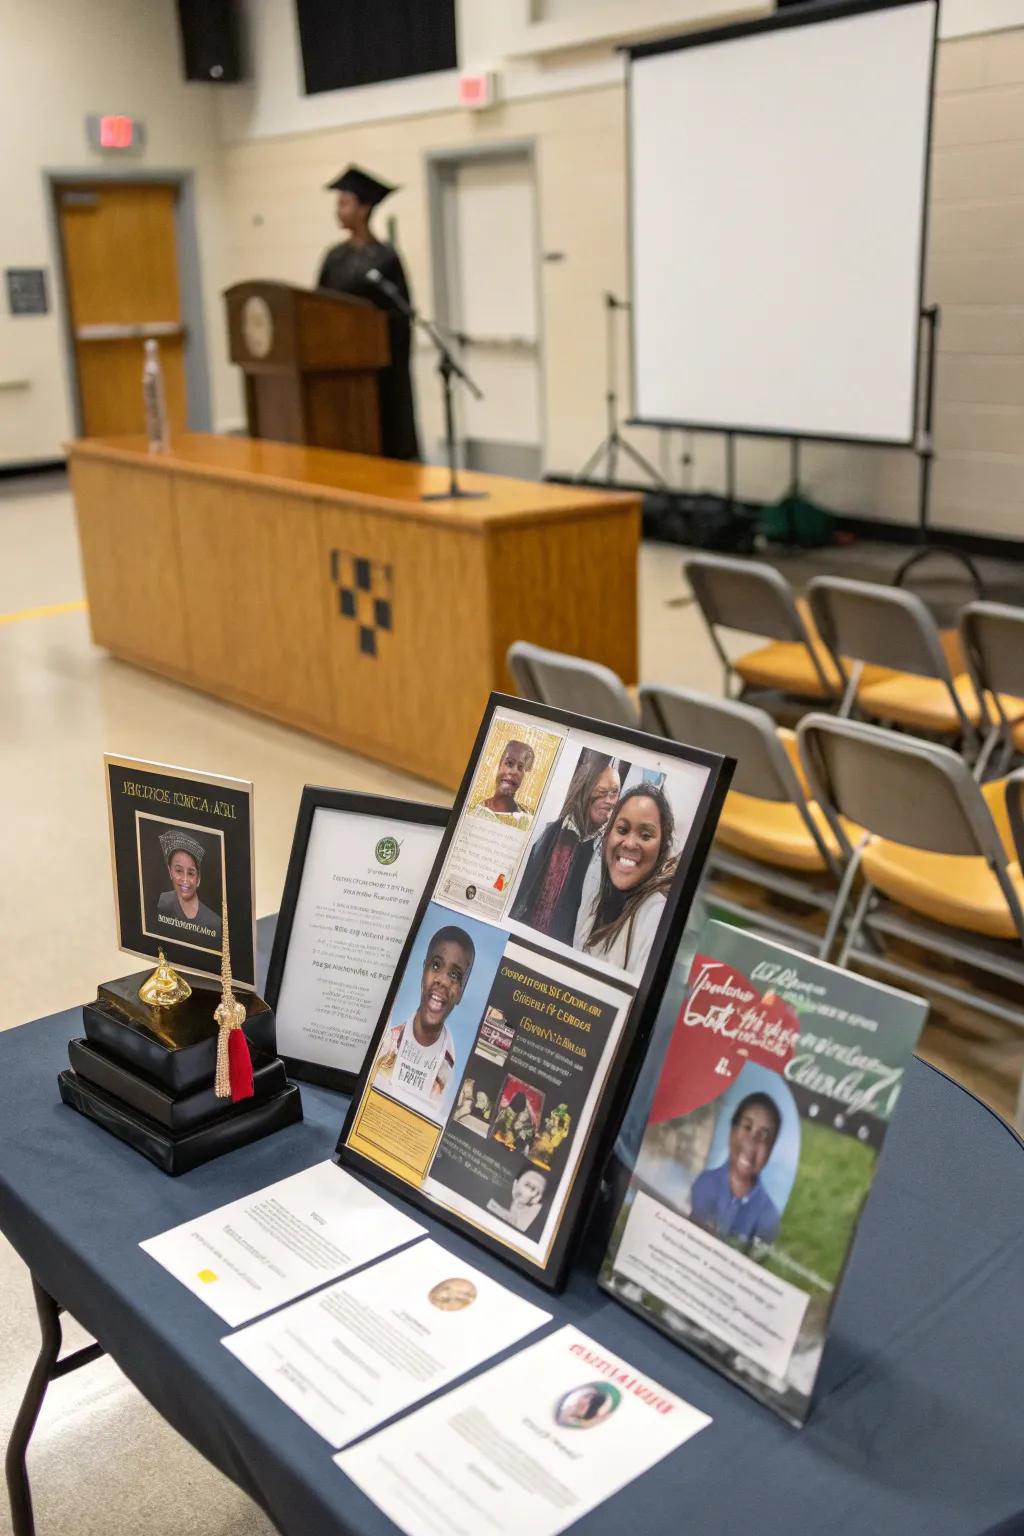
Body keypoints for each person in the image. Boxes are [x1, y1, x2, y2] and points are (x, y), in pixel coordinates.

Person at [316, 165, 420, 461]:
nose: (338, 211)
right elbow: (317, 306)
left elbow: (401, 315)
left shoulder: (385, 258)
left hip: (377, 369)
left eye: (344, 203)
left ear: (364, 209)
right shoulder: (334, 257)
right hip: (338, 367)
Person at [511, 751, 620, 943]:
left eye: (615, 793)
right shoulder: (551, 832)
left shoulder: (608, 852)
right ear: (587, 789)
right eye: (603, 792)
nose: (611, 801)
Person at [373, 925, 475, 1122]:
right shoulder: (385, 1043)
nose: (443, 981)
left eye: (455, 975)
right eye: (436, 965)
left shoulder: (455, 1086)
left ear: (461, 991)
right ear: (423, 972)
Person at [573, 783, 676, 976]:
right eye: (622, 829)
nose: (629, 843)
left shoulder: (656, 916)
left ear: (662, 848)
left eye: (646, 835)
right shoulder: (595, 891)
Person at [689, 1092, 782, 1246]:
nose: (752, 1142)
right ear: (732, 1132)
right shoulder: (704, 1183)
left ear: (771, 1150)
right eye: (747, 1127)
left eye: (764, 1136)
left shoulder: (769, 1217)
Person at [155, 829, 221, 947]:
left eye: (191, 873)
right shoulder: (162, 902)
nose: (185, 879)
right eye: (179, 870)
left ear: (198, 878)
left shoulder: (214, 923)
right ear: (170, 872)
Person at [474, 740, 536, 828]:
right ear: (499, 765)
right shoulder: (475, 811)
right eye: (509, 763)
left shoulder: (529, 819)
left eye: (520, 767)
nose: (514, 772)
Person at [487, 1165, 547, 1234]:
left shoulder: (534, 1214)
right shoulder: (495, 1197)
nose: (530, 1191)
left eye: (535, 1189)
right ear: (515, 1183)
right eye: (527, 1185)